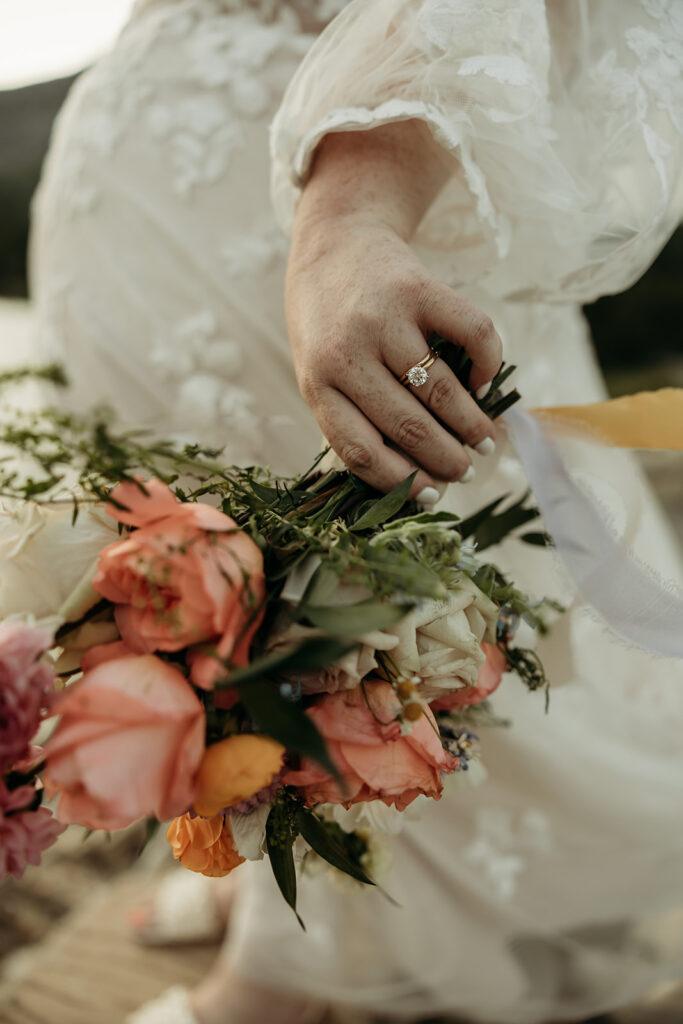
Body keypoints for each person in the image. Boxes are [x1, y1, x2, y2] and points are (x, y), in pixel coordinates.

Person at [29, 1, 683, 1022]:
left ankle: (298, 966)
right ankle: (260, 870)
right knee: (215, 609)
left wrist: (350, 219)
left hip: (324, 219)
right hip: (162, 206)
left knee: (357, 621)